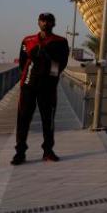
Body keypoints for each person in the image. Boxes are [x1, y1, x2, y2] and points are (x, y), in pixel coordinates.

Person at [11, 12, 69, 165]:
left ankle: (48, 151)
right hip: (28, 85)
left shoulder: (61, 42)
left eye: (48, 21)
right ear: (38, 22)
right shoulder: (28, 40)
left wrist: (48, 67)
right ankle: (20, 152)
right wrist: (32, 70)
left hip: (48, 88)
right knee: (23, 119)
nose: (45, 23)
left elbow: (61, 64)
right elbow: (23, 63)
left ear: (53, 24)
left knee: (47, 120)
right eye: (42, 21)